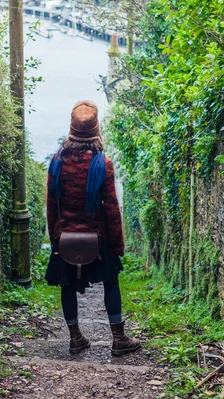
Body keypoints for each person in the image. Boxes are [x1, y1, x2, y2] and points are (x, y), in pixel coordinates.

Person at [45, 101, 141, 356]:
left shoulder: (56, 163)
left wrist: (54, 237)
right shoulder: (103, 163)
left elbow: (51, 205)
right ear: (96, 131)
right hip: (98, 238)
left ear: (71, 129)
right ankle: (118, 339)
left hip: (66, 236)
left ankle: (75, 338)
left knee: (68, 286)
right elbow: (111, 208)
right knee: (111, 282)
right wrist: (118, 244)